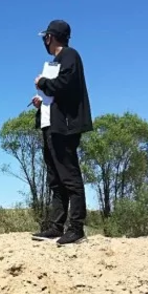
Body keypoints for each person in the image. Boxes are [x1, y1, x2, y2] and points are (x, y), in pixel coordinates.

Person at [30, 20, 93, 245]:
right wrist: (42, 102)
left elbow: (65, 84)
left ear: (51, 37)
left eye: (45, 37)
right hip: (51, 125)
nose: (44, 42)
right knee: (55, 179)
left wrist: (42, 83)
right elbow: (59, 94)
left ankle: (76, 228)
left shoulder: (70, 55)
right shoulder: (56, 61)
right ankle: (56, 226)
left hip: (65, 126)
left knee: (69, 176)